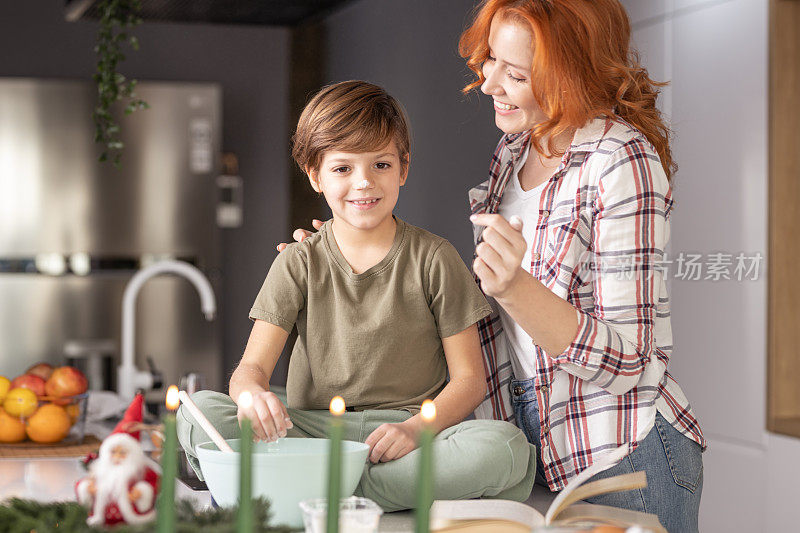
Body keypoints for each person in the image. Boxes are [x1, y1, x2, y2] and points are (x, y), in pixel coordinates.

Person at [286, 2, 707, 531]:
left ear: (571, 73)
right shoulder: (514, 151)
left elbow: (627, 361)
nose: (489, 84)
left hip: (623, 452)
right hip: (535, 434)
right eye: (490, 62)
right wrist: (339, 251)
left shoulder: (622, 163)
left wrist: (513, 288)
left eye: (516, 73)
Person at [176, 80, 537, 512]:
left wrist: (415, 432)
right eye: (342, 168)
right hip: (310, 434)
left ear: (403, 168)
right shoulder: (298, 261)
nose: (363, 183)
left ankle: (312, 490)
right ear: (315, 176)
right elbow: (250, 369)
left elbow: (469, 381)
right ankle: (362, 489)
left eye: (380, 165)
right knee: (198, 413)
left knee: (504, 448)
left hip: (408, 437)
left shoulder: (435, 258)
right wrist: (253, 396)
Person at [75, 432, 159, 527]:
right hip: (101, 522)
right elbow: (84, 483)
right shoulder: (99, 470)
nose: (117, 457)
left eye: (122, 453)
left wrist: (143, 491)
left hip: (134, 523)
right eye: (113, 452)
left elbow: (155, 483)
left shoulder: (141, 471)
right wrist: (87, 488)